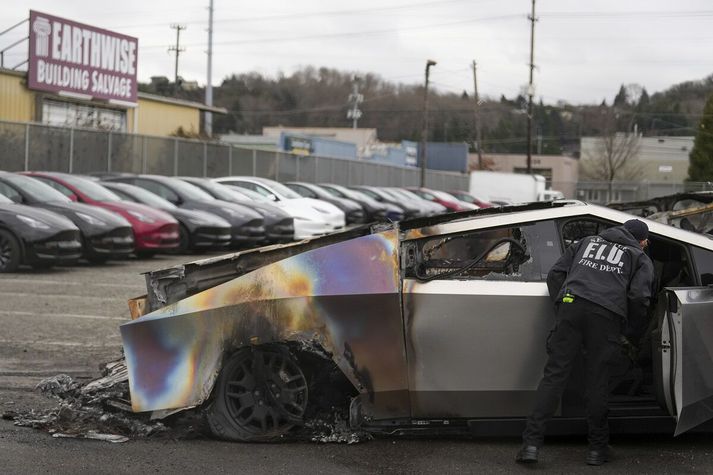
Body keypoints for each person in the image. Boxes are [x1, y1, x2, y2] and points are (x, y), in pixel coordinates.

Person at [516, 219, 654, 466]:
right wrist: (630, 332)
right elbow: (639, 298)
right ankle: (597, 450)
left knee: (554, 376)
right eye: (646, 242)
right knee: (597, 381)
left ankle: (531, 446)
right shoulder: (639, 257)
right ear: (641, 241)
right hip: (606, 317)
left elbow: (556, 274)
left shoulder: (586, 242)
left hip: (571, 305)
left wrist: (563, 308)